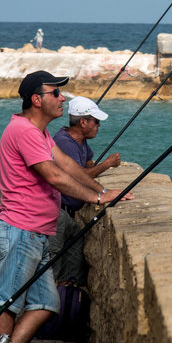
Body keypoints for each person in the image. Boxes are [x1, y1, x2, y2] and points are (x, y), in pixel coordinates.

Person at [0, 71, 130, 343]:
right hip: (20, 231)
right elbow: (53, 175)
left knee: (45, 303)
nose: (62, 99)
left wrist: (103, 189)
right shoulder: (23, 131)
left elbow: (67, 164)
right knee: (6, 305)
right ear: (37, 100)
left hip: (35, 232)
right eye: (55, 93)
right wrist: (95, 199)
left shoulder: (39, 132)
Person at [49, 96, 122, 286]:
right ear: (83, 122)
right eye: (96, 121)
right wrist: (107, 165)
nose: (99, 125)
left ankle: (66, 299)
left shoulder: (81, 141)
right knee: (52, 264)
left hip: (70, 214)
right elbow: (79, 175)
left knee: (74, 257)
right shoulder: (64, 142)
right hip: (57, 211)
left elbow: (88, 167)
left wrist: (97, 169)